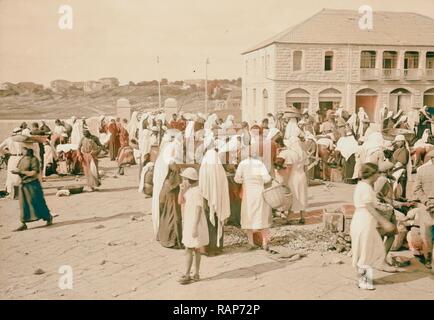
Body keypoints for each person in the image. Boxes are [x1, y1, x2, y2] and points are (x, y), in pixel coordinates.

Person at [350, 163, 395, 290]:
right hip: (364, 221)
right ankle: (363, 281)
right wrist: (384, 222)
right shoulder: (365, 188)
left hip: (365, 221)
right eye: (378, 173)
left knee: (377, 249)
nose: (379, 175)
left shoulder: (364, 186)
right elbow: (370, 208)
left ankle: (361, 277)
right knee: (366, 251)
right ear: (373, 174)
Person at [234, 144, 273, 251]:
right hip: (259, 192)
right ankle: (265, 242)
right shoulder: (259, 163)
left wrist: (245, 180)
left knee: (248, 215)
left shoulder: (243, 164)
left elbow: (237, 179)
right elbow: (267, 179)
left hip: (248, 193)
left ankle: (251, 242)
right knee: (262, 215)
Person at [152, 130, 184, 248]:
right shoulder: (171, 158)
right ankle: (172, 240)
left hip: (164, 188)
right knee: (173, 215)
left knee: (166, 214)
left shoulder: (163, 157)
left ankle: (164, 237)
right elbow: (175, 170)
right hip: (171, 189)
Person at [199, 137, 231, 256]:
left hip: (207, 198)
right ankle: (217, 247)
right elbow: (223, 183)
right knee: (217, 220)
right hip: (218, 198)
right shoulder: (218, 166)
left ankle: (208, 248)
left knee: (208, 221)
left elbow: (201, 183)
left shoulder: (205, 163)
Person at [177, 167, 209, 285]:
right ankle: (195, 273)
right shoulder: (189, 191)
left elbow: (198, 209)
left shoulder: (196, 192)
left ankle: (188, 274)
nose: (183, 181)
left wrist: (195, 226)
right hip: (189, 221)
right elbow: (180, 201)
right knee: (195, 248)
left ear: (188, 180)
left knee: (190, 248)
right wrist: (181, 191)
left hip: (194, 222)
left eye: (184, 179)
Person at [12, 147, 53, 231]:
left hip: (33, 184)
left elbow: (34, 172)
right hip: (23, 184)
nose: (22, 151)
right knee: (23, 204)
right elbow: (18, 168)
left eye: (24, 149)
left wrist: (21, 172)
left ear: (29, 150)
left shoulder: (34, 160)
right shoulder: (22, 159)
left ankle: (48, 217)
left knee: (38, 202)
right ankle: (23, 223)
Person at [277, 136, 309, 224]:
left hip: (293, 177)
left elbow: (289, 168)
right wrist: (307, 179)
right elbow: (306, 168)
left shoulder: (290, 153)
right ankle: (303, 217)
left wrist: (284, 179)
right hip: (302, 176)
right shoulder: (303, 153)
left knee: (293, 197)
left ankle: (289, 218)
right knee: (302, 196)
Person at [413, 150, 434, 270]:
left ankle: (428, 260)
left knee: (427, 236)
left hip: (426, 207)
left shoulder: (422, 170)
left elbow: (417, 189)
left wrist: (426, 201)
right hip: (430, 204)